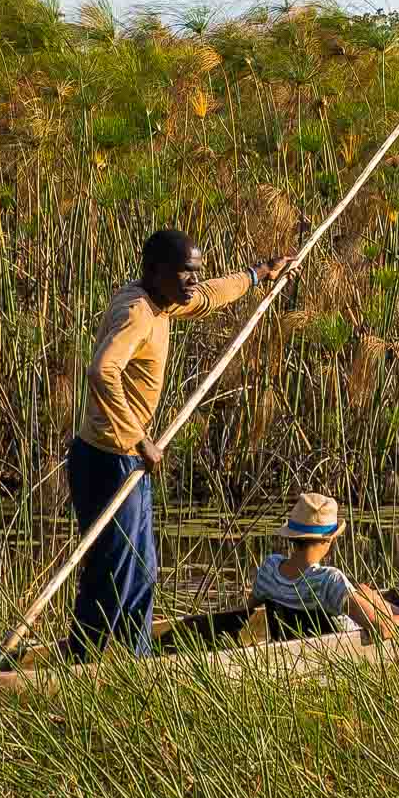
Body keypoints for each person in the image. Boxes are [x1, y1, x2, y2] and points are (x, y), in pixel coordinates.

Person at [67, 228, 292, 659]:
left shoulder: (164, 301)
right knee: (114, 570)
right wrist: (139, 439)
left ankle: (135, 655)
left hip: (124, 459)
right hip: (109, 459)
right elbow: (102, 371)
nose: (193, 281)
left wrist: (258, 275)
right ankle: (87, 662)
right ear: (156, 271)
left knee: (140, 566)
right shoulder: (136, 311)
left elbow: (207, 295)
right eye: (186, 273)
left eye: (196, 273)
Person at [249, 492, 399, 640]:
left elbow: (250, 609)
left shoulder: (269, 568)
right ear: (329, 539)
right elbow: (382, 629)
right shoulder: (329, 581)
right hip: (342, 649)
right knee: (393, 609)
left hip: (293, 647)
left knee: (363, 590)